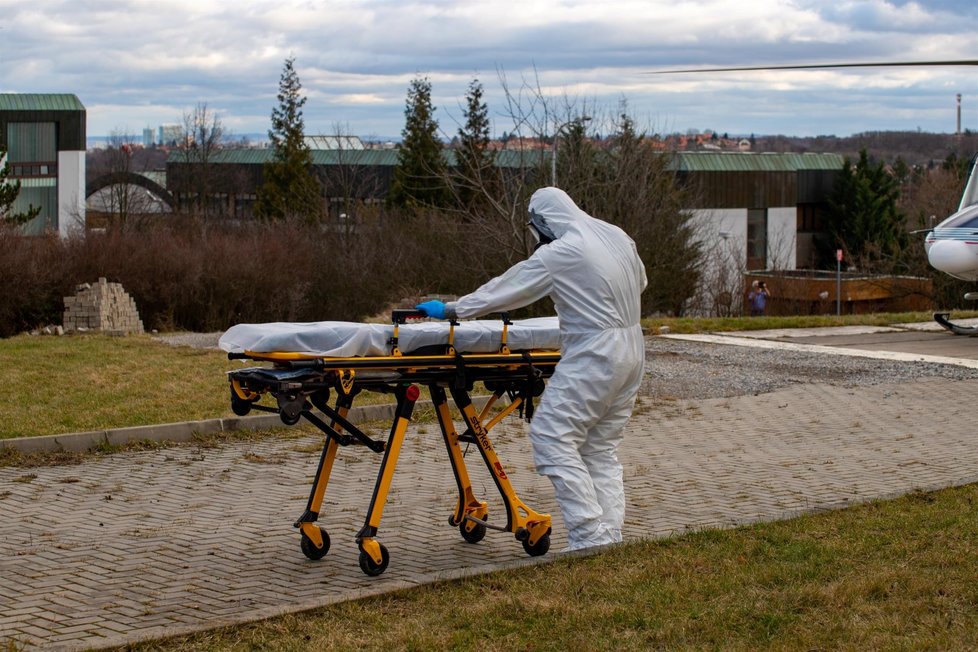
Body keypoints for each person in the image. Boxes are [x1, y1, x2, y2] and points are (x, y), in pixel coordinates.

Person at [415, 187, 647, 551]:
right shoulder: (615, 235)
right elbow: (641, 281)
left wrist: (453, 310)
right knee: (599, 447)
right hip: (633, 347)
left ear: (542, 222)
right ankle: (609, 537)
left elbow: (509, 288)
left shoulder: (564, 250)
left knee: (552, 437)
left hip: (595, 352)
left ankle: (588, 536)